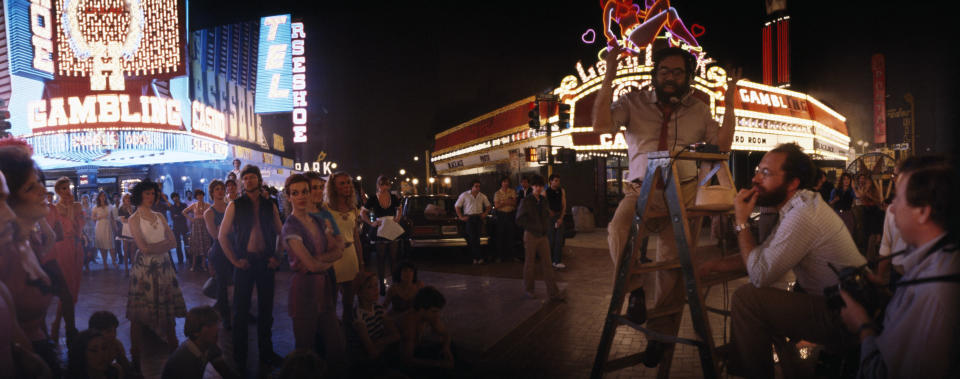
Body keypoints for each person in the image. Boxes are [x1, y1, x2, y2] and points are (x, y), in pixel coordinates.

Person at [593, 44, 739, 366]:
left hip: (683, 197)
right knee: (617, 229)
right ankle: (635, 292)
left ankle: (658, 336)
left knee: (672, 271)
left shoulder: (699, 109)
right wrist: (610, 75)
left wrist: (729, 101)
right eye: (664, 71)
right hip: (638, 192)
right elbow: (601, 127)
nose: (670, 77)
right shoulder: (631, 101)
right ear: (654, 73)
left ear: (688, 77)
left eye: (677, 72)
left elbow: (722, 147)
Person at [697, 143, 867, 377]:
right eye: (758, 170)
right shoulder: (799, 206)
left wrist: (741, 222)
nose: (756, 179)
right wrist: (711, 266)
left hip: (847, 314)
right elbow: (763, 255)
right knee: (767, 302)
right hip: (837, 303)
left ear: (793, 183)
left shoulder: (802, 216)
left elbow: (758, 273)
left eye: (765, 173)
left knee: (748, 299)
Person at [838, 161, 959, 378]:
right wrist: (885, 295)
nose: (892, 207)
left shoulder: (933, 293)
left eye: (898, 198)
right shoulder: (932, 262)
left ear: (922, 211)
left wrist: (863, 326)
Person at [217, 164, 285, 371]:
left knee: (266, 309)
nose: (248, 181)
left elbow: (282, 232)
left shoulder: (269, 204)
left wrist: (277, 257)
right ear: (242, 182)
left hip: (265, 261)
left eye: (252, 177)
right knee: (240, 310)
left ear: (258, 179)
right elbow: (222, 236)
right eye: (245, 178)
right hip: (245, 262)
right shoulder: (235, 205)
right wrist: (235, 260)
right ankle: (240, 356)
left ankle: (266, 352)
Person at [0, 151, 61, 377]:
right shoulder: (5, 255)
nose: (43, 191)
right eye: (30, 188)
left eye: (39, 183)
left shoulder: (30, 242)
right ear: (10, 201)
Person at [281, 174, 346, 374]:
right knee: (304, 350)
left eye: (305, 192)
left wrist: (319, 261)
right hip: (303, 290)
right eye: (295, 193)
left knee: (336, 346)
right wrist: (325, 260)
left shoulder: (318, 220)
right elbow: (310, 264)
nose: (301, 197)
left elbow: (338, 249)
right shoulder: (290, 226)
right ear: (288, 196)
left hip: (323, 287)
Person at [126, 179, 186, 370]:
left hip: (164, 265)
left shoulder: (159, 216)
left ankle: (174, 352)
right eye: (147, 194)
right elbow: (143, 248)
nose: (151, 197)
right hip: (145, 270)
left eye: (153, 193)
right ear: (140, 195)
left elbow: (174, 241)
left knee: (168, 312)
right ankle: (135, 357)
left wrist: (155, 248)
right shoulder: (133, 219)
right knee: (139, 314)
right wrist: (160, 246)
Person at [515, 175, 565, 301]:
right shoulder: (526, 200)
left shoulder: (543, 200)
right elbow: (519, 219)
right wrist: (534, 226)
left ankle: (553, 292)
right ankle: (529, 290)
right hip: (531, 234)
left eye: (540, 186)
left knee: (547, 264)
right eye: (536, 186)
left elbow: (546, 215)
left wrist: (545, 226)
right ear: (532, 187)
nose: (538, 188)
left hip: (543, 235)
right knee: (529, 264)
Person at [47, 176, 83, 347]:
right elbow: (59, 230)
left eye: (68, 187)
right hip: (63, 247)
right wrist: (69, 209)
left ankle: (59, 326)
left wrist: (73, 209)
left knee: (74, 289)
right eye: (63, 188)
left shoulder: (77, 206)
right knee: (67, 288)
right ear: (57, 191)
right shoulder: (54, 208)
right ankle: (65, 327)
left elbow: (80, 228)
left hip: (76, 246)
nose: (67, 191)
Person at [324, 171, 365, 322]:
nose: (347, 185)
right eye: (342, 183)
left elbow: (356, 237)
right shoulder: (325, 208)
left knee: (349, 301)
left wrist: (361, 262)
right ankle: (332, 334)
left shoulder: (353, 209)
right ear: (333, 187)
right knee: (331, 301)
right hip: (334, 258)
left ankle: (348, 331)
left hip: (350, 256)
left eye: (348, 182)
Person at [161, 306, 238, 379]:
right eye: (209, 325)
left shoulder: (210, 347)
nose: (217, 329)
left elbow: (226, 372)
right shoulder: (185, 359)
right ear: (196, 331)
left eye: (216, 324)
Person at [350, 272, 401, 368]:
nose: (376, 290)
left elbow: (396, 335)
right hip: (365, 362)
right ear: (360, 292)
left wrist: (379, 343)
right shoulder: (358, 316)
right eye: (370, 287)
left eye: (376, 285)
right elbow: (371, 351)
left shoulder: (377, 307)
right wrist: (385, 341)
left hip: (379, 351)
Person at [398, 286, 454, 374]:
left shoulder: (430, 316)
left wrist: (446, 348)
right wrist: (439, 364)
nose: (438, 315)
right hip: (398, 360)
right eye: (434, 311)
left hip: (416, 350)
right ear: (421, 309)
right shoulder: (409, 323)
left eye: (438, 311)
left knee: (452, 348)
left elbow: (446, 334)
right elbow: (406, 361)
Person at [362, 175, 402, 292]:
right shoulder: (373, 198)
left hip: (391, 226)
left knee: (394, 258)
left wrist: (397, 219)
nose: (383, 187)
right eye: (381, 184)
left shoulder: (393, 197)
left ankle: (394, 284)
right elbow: (362, 213)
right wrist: (371, 223)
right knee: (381, 258)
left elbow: (399, 209)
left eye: (385, 185)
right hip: (380, 227)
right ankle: (382, 286)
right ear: (378, 185)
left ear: (389, 186)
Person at [202, 180, 233, 329]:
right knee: (222, 284)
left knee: (238, 282)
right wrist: (228, 230)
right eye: (217, 189)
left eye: (222, 189)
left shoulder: (231, 208)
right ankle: (225, 316)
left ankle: (240, 311)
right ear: (212, 193)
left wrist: (224, 229)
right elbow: (215, 234)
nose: (220, 191)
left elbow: (238, 230)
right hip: (220, 250)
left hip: (234, 248)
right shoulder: (209, 212)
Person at [454, 180, 490, 265]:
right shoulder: (465, 195)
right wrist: (461, 217)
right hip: (469, 218)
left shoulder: (482, 196)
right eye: (476, 186)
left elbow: (488, 206)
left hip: (478, 217)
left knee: (477, 238)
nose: (478, 188)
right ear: (472, 187)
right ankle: (476, 257)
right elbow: (457, 206)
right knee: (472, 238)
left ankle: (476, 257)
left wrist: (485, 214)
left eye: (479, 186)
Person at [88, 311, 133, 376]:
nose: (113, 335)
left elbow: (125, 367)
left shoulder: (115, 344)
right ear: (94, 331)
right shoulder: (89, 344)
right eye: (108, 331)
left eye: (114, 331)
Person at [853, 173, 883, 259]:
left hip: (873, 212)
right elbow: (860, 198)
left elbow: (879, 201)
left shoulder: (874, 190)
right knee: (864, 233)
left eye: (868, 181)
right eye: (866, 181)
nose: (867, 182)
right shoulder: (862, 189)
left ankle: (871, 256)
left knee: (872, 234)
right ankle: (865, 254)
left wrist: (870, 196)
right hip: (865, 212)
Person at [183, 189, 211, 272]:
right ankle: (193, 264)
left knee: (204, 243)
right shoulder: (194, 205)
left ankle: (203, 264)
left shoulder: (208, 205)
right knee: (196, 243)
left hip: (205, 225)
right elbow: (184, 212)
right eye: (198, 195)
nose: (200, 196)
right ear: (196, 196)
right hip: (196, 226)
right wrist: (191, 219)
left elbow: (211, 214)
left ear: (203, 195)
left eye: (201, 194)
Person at [544, 174, 567, 269]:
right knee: (551, 239)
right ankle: (549, 261)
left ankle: (557, 261)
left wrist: (561, 217)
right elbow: (544, 205)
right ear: (551, 181)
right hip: (550, 217)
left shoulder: (561, 191)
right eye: (556, 180)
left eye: (558, 181)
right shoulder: (546, 192)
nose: (557, 182)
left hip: (559, 216)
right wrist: (549, 212)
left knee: (559, 239)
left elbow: (564, 205)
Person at [493, 176, 518, 263]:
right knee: (500, 236)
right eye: (504, 182)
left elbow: (515, 203)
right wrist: (507, 202)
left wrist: (502, 202)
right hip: (501, 215)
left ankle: (512, 256)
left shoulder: (512, 191)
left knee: (511, 235)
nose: (506, 183)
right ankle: (499, 256)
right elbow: (496, 206)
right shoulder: (497, 193)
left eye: (507, 182)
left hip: (511, 215)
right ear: (501, 183)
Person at [93, 191, 117, 269]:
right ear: (99, 197)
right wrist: (98, 218)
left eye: (104, 196)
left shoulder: (110, 206)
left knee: (111, 245)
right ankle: (105, 263)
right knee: (102, 246)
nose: (103, 197)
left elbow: (113, 218)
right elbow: (92, 218)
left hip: (108, 226)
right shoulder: (96, 207)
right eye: (101, 196)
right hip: (100, 226)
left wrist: (115, 227)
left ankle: (113, 261)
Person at [167, 192, 189, 265]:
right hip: (176, 227)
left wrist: (178, 216)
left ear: (178, 197)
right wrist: (180, 215)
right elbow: (173, 217)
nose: (175, 198)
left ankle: (188, 258)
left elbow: (185, 214)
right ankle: (180, 260)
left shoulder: (184, 205)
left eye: (176, 196)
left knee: (187, 243)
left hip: (184, 226)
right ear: (172, 199)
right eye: (173, 197)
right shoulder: (172, 207)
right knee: (178, 244)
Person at [116, 194, 134, 271]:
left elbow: (136, 219)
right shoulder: (121, 209)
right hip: (125, 229)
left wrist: (131, 214)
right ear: (123, 200)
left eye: (129, 198)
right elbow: (123, 221)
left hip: (133, 229)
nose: (128, 200)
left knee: (133, 250)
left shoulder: (134, 207)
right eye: (126, 198)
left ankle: (133, 267)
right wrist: (131, 218)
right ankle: (126, 268)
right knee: (126, 249)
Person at [81, 194, 96, 270]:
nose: (85, 200)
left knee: (92, 244)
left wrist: (90, 217)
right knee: (86, 245)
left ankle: (92, 258)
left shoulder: (92, 206)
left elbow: (94, 216)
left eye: (86, 198)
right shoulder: (81, 207)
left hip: (91, 226)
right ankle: (86, 262)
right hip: (84, 226)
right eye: (84, 198)